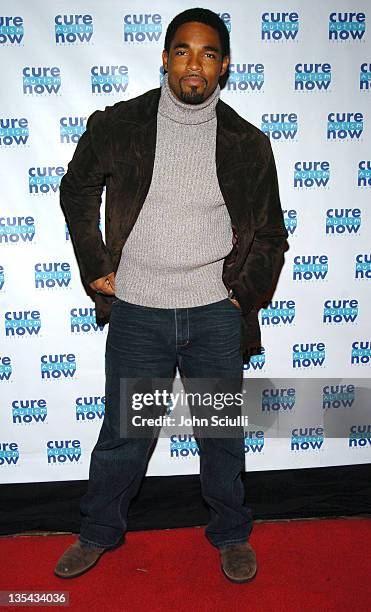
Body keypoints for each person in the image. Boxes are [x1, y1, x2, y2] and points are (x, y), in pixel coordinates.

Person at [55, 7, 288, 583]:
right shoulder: (119, 125)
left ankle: (231, 533)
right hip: (138, 313)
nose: (194, 64)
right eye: (183, 50)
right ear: (164, 58)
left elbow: (272, 235)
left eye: (208, 53)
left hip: (214, 315)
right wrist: (94, 264)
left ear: (224, 66)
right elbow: (77, 188)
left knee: (221, 435)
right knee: (124, 437)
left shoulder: (249, 144)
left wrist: (244, 297)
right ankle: (98, 532)